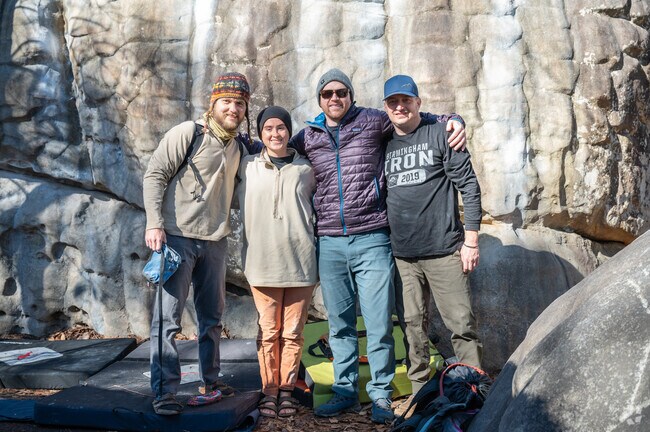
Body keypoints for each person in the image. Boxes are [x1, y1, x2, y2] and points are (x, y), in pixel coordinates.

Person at [289, 68, 466, 424]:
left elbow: (416, 116)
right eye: (328, 94)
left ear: (351, 95)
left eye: (341, 92)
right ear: (319, 100)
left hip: (372, 237)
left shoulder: (373, 121)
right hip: (331, 242)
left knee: (378, 322)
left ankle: (381, 394)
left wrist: (454, 120)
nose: (335, 98)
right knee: (338, 322)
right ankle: (344, 390)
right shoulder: (308, 136)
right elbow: (275, 147)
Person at [142, 72, 253, 415]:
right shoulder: (188, 133)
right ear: (213, 103)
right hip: (177, 237)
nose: (232, 108)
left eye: (239, 103)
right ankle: (164, 392)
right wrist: (154, 222)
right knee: (168, 319)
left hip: (215, 242)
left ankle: (211, 380)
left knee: (212, 319)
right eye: (227, 102)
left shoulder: (238, 147)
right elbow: (155, 174)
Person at [382, 75, 483, 400]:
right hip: (403, 256)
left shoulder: (441, 134)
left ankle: (474, 390)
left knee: (460, 324)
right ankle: (420, 392)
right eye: (393, 102)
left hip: (443, 251)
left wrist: (471, 241)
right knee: (412, 326)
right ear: (386, 107)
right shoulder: (383, 143)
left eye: (406, 101)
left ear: (418, 103)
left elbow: (468, 186)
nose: (400, 107)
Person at [236, 106, 317, 418]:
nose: (275, 134)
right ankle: (268, 389)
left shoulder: (307, 169)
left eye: (281, 127)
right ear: (260, 134)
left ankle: (286, 390)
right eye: (268, 128)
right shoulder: (246, 166)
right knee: (269, 331)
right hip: (261, 263)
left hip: (300, 264)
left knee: (293, 333)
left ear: (288, 130)